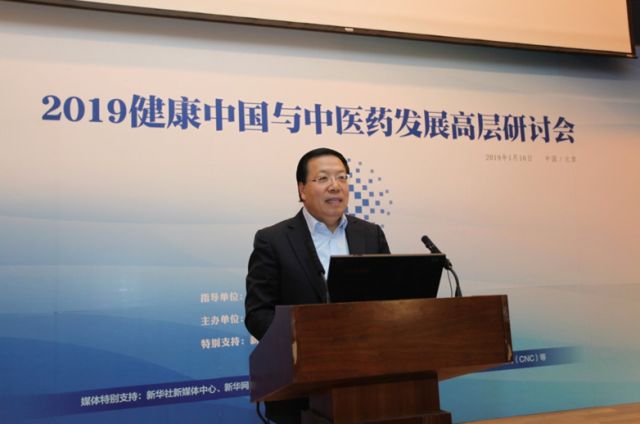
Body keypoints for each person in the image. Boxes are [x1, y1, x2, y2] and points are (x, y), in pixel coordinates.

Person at [245, 147, 390, 424]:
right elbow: (257, 313)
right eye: (323, 178)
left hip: (369, 384)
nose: (335, 186)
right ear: (302, 189)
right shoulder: (273, 240)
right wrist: (305, 344)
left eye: (342, 177)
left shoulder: (371, 234)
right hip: (301, 393)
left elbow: (390, 301)